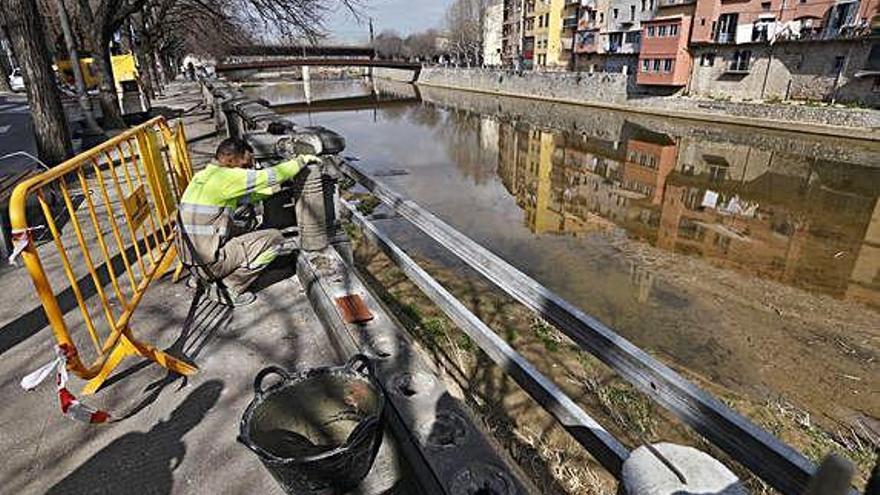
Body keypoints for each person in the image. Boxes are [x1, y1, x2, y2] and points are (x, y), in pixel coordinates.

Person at [176, 138, 321, 306]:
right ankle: (230, 288)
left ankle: (202, 279)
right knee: (275, 238)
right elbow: (271, 175)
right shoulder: (227, 177)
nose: (247, 170)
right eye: (245, 165)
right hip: (209, 265)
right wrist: (301, 161)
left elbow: (247, 197)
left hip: (190, 261)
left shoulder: (202, 176)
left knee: (244, 229)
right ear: (230, 159)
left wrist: (276, 189)